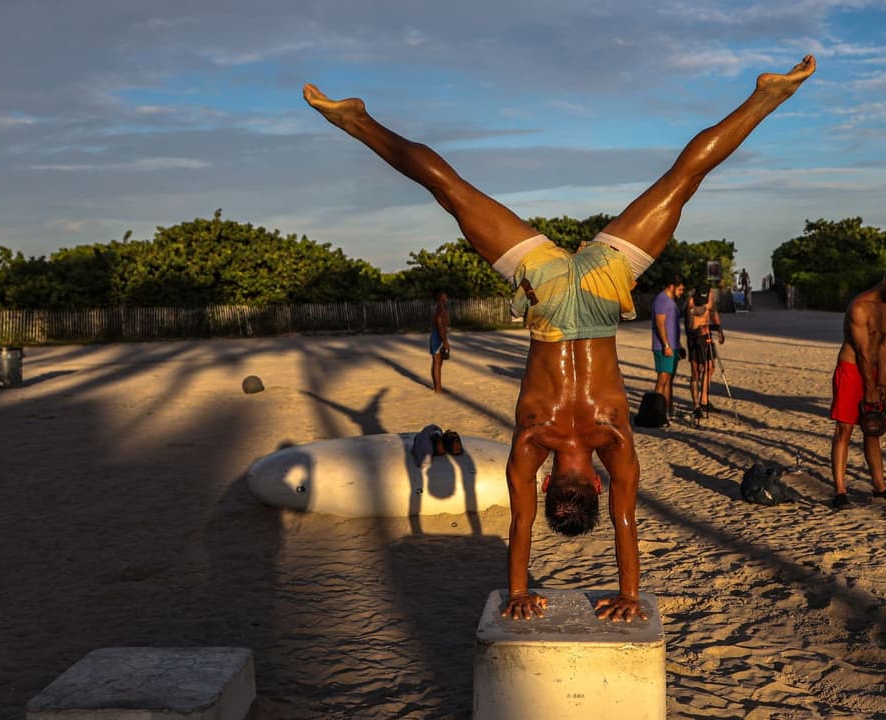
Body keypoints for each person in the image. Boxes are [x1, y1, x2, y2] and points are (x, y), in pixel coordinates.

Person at [303, 54, 817, 621]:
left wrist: (627, 595)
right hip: (547, 293)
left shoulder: (614, 443)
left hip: (600, 290)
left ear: (594, 485)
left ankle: (767, 98)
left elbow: (626, 522)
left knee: (681, 181)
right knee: (450, 189)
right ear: (549, 486)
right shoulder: (530, 445)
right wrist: (518, 589)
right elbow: (520, 524)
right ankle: (356, 121)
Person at [829, 266, 886, 510]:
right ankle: (840, 491)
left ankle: (880, 487)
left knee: (873, 428)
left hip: (874, 372)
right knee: (844, 430)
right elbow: (863, 352)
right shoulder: (859, 307)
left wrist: (881, 383)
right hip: (851, 369)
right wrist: (869, 387)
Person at [650, 273, 686, 423]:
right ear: (672, 286)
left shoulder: (670, 301)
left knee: (669, 380)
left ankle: (668, 410)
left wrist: (679, 346)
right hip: (663, 347)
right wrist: (666, 345)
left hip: (672, 347)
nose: (681, 292)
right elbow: (660, 323)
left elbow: (673, 326)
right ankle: (656, 412)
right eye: (680, 289)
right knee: (662, 379)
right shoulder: (662, 300)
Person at [685, 284, 724, 418]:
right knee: (696, 372)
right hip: (695, 338)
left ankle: (704, 400)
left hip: (706, 337)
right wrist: (704, 308)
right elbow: (690, 321)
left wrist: (719, 329)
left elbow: (713, 312)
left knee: (710, 368)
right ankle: (696, 405)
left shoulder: (710, 296)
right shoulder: (691, 300)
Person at [429, 289, 450, 393]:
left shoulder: (438, 308)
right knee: (437, 362)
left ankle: (438, 387)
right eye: (445, 296)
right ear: (441, 298)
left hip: (437, 335)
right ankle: (438, 388)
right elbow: (439, 325)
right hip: (438, 336)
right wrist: (445, 341)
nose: (447, 298)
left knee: (437, 362)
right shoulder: (440, 309)